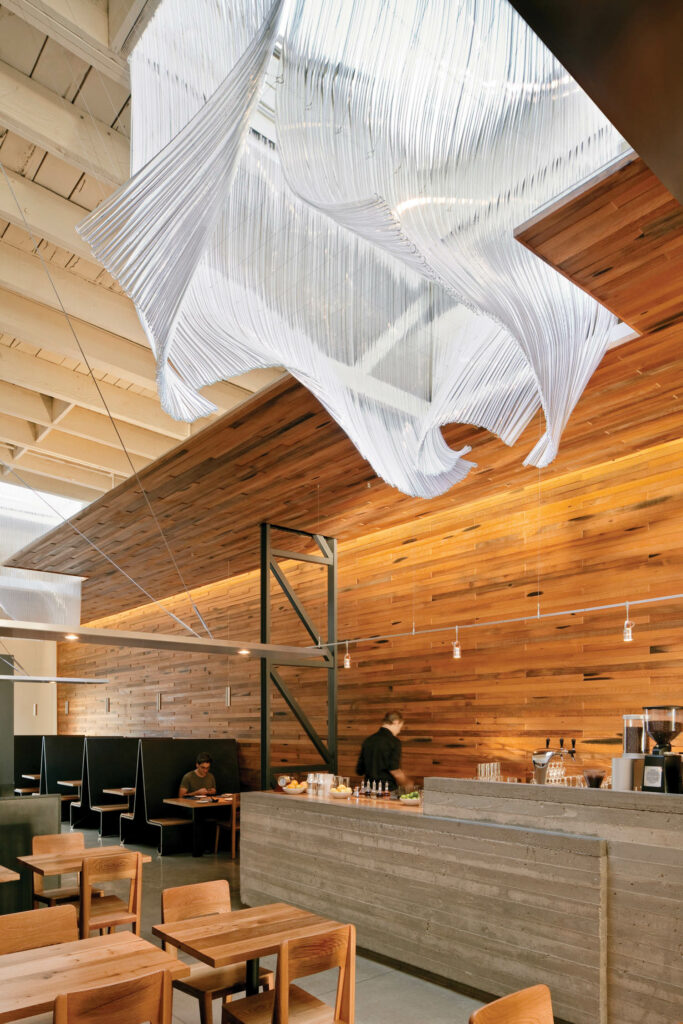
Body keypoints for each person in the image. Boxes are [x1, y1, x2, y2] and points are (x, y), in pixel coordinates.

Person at [356, 711, 414, 791]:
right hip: (387, 791)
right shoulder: (394, 742)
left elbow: (359, 770)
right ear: (395, 722)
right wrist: (407, 783)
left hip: (367, 790)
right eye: (400, 727)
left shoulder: (368, 741)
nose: (399, 731)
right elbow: (394, 770)